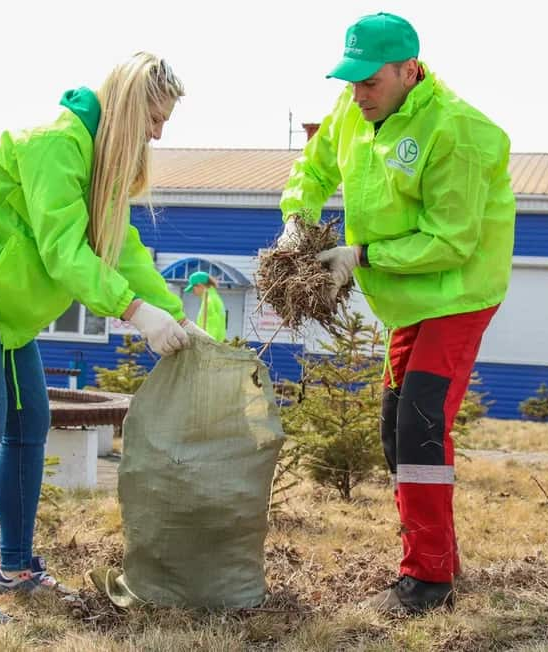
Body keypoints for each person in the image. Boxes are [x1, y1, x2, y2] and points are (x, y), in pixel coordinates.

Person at [0, 52, 207, 627]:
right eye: (154, 118)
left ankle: (16, 569)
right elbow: (63, 252)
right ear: (126, 107)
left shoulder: (102, 165)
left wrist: (176, 315)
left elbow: (123, 250)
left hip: (0, 306)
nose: (158, 133)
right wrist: (135, 312)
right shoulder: (54, 144)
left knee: (28, 424)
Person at [275, 13, 516, 614]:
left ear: (410, 70)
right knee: (393, 427)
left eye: (370, 82)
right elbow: (314, 167)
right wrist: (294, 219)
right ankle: (442, 558)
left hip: (458, 293)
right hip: (406, 297)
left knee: (421, 425)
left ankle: (427, 582)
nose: (358, 94)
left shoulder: (454, 132)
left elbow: (451, 241)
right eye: (351, 81)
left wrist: (358, 255)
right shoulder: (352, 109)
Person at [184, 271, 227, 341]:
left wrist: (206, 344)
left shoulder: (209, 301)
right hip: (217, 343)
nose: (193, 291)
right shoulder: (215, 298)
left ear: (200, 285)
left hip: (209, 345)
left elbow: (211, 326)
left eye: (193, 288)